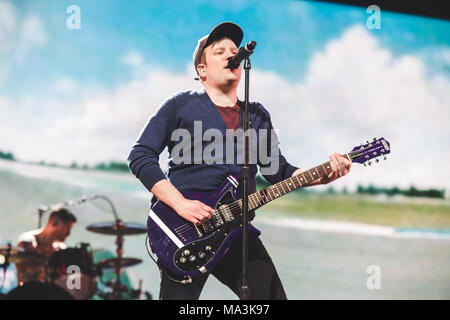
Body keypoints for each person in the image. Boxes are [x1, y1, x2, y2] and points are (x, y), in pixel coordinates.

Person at [128, 22, 351, 300]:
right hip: (183, 230)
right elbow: (140, 156)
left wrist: (322, 175)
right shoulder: (180, 104)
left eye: (234, 51)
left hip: (237, 232)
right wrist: (180, 204)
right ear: (202, 70)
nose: (231, 55)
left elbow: (279, 171)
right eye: (219, 52)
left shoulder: (256, 115)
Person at [15, 207, 77, 285]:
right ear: (54, 222)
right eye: (66, 228)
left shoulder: (60, 248)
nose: (68, 233)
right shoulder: (28, 241)